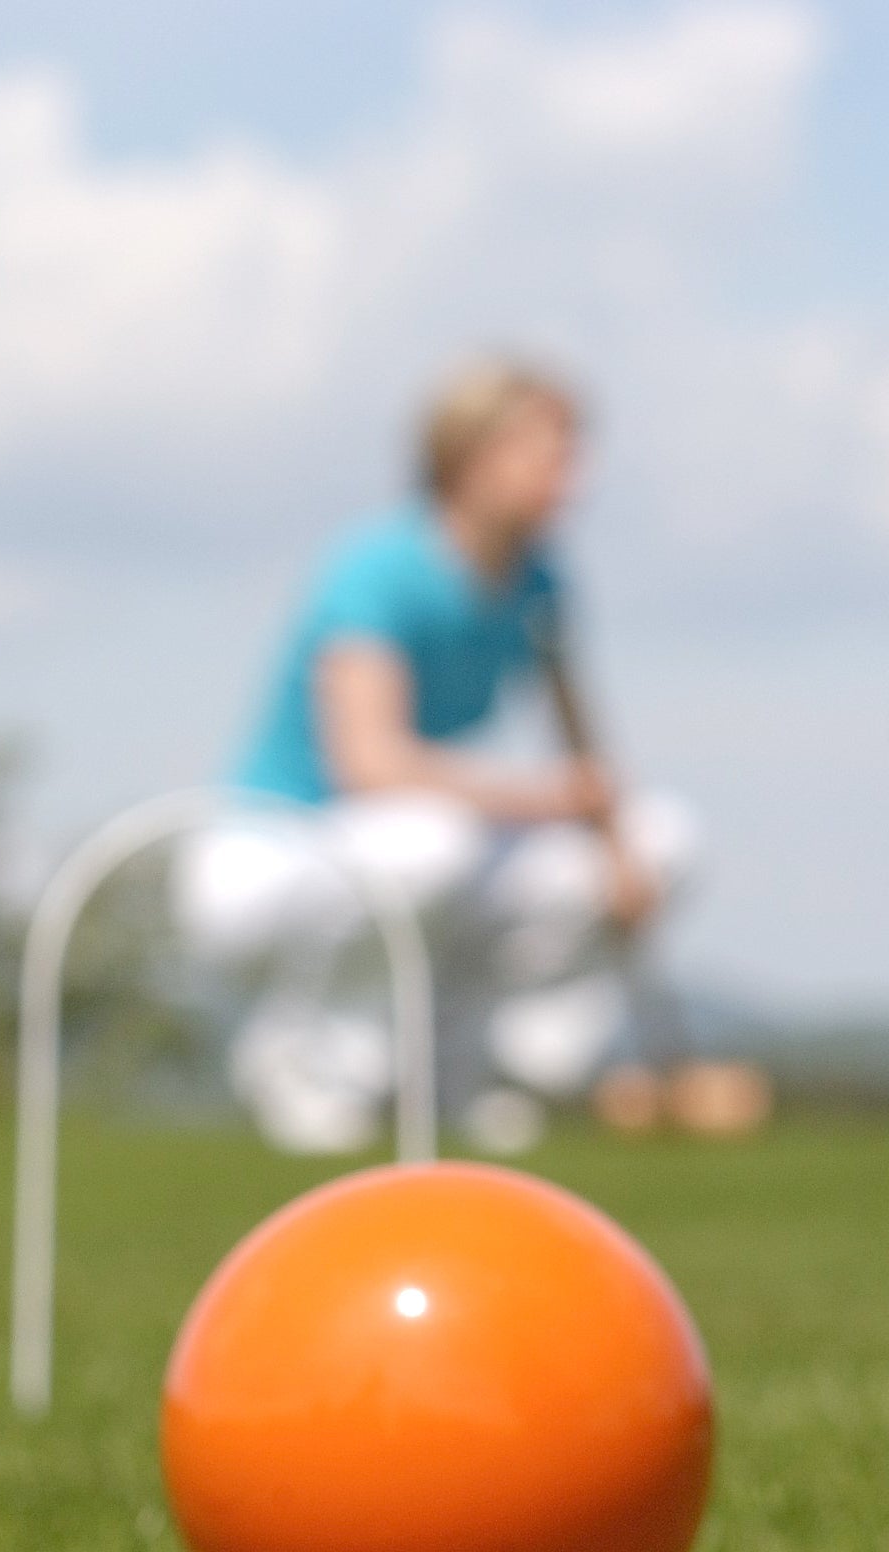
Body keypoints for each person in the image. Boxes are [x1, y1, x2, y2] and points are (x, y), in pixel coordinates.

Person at [176, 357, 697, 1153]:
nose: (573, 480)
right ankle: (310, 1061)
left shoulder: (540, 585)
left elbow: (581, 747)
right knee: (430, 843)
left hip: (405, 848)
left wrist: (621, 856)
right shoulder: (375, 570)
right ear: (469, 457)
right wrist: (548, 800)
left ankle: (471, 1061)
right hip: (270, 854)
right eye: (550, 454)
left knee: (664, 839)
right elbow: (369, 766)